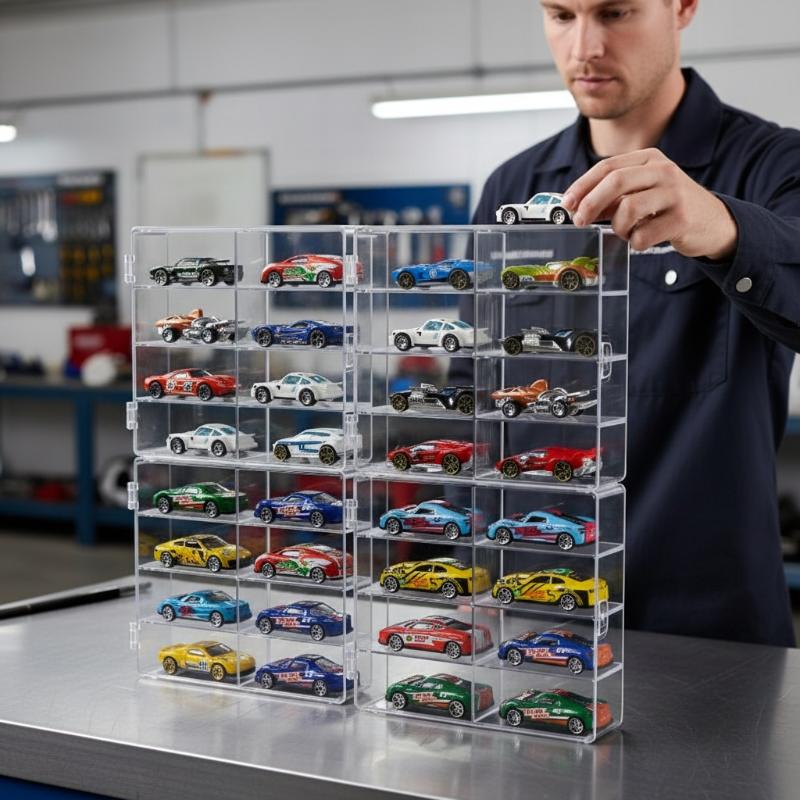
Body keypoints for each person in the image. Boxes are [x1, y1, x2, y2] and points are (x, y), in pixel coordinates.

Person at [471, 0, 800, 646]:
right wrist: (475, 570)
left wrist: (723, 228)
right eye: (561, 15)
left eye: (615, 12)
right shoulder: (512, 188)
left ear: (682, 7)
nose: (584, 48)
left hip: (708, 629)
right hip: (540, 610)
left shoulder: (774, 166)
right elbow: (479, 401)